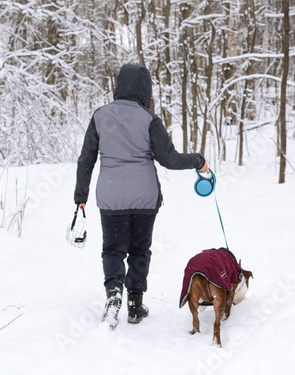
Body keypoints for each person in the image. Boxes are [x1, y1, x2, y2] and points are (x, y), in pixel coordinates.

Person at [74, 64, 209, 328]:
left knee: (113, 249)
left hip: (111, 196)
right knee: (139, 250)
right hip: (144, 198)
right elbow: (169, 159)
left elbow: (86, 159)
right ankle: (135, 305)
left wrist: (81, 196)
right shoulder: (149, 119)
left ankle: (114, 292)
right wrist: (198, 161)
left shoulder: (100, 116)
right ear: (145, 89)